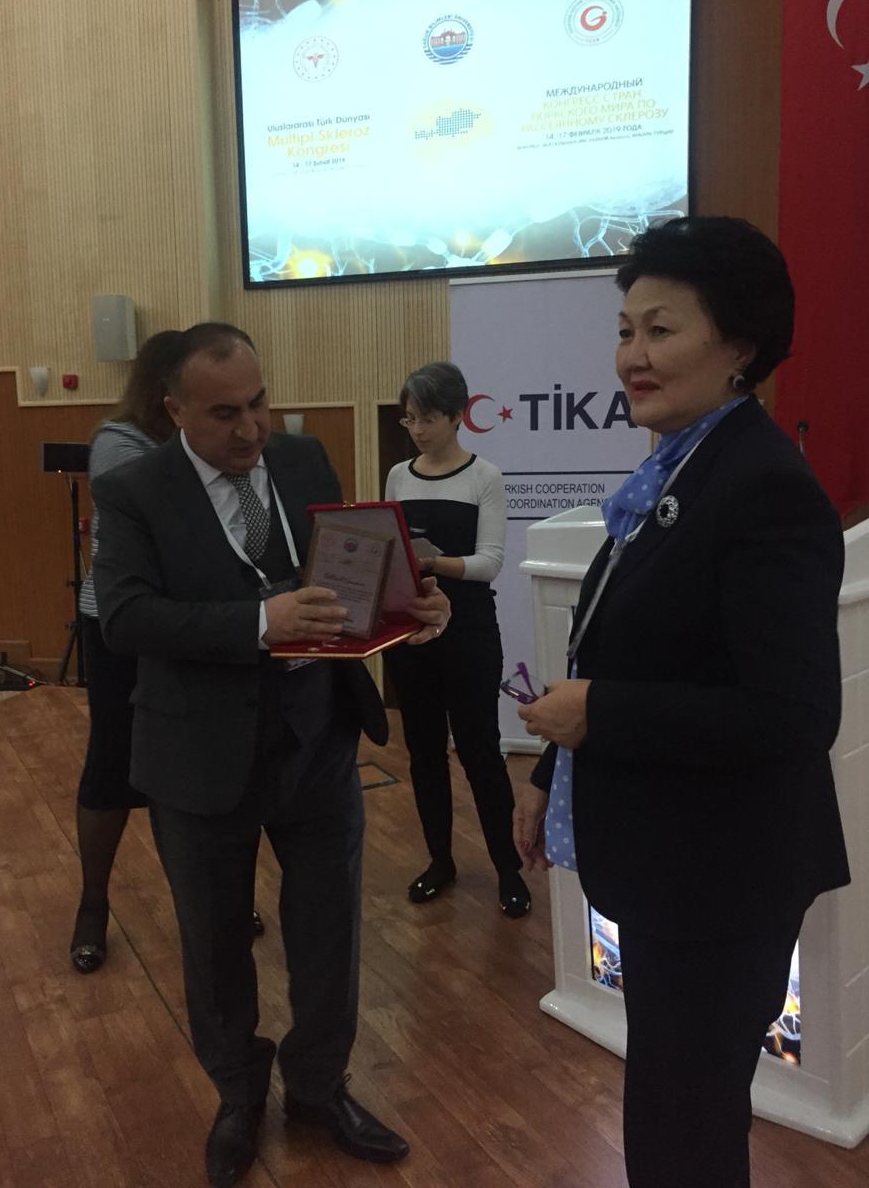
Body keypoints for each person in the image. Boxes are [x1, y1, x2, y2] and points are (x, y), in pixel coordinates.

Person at [512, 216, 850, 1188]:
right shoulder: (682, 466)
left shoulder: (763, 487)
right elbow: (615, 642)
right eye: (626, 330)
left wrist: (601, 714)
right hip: (675, 861)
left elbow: (792, 715)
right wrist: (549, 774)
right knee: (671, 1108)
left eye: (661, 330)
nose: (633, 356)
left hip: (723, 876)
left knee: (686, 1127)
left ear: (739, 343)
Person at [92, 322, 450, 1188]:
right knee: (215, 944)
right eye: (225, 414)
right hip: (198, 756)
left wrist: (409, 606)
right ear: (174, 410)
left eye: (258, 402)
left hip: (318, 738)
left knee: (329, 933)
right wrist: (260, 623)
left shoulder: (302, 458)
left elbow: (347, 578)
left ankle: (319, 1090)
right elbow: (126, 618)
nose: (251, 428)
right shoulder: (134, 490)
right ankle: (239, 1098)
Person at [383, 361, 530, 918]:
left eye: (427, 418)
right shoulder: (399, 475)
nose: (417, 430)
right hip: (413, 628)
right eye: (410, 419)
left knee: (479, 751)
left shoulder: (484, 476)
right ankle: (439, 860)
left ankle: (508, 869)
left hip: (468, 628)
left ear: (457, 416)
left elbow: (490, 562)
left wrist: (431, 560)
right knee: (423, 752)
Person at [71, 328, 188, 972]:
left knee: (186, 768)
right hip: (118, 627)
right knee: (112, 764)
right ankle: (92, 904)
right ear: (164, 390)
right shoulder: (119, 441)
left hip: (180, 624)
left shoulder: (189, 445)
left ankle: (202, 897)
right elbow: (169, 514)